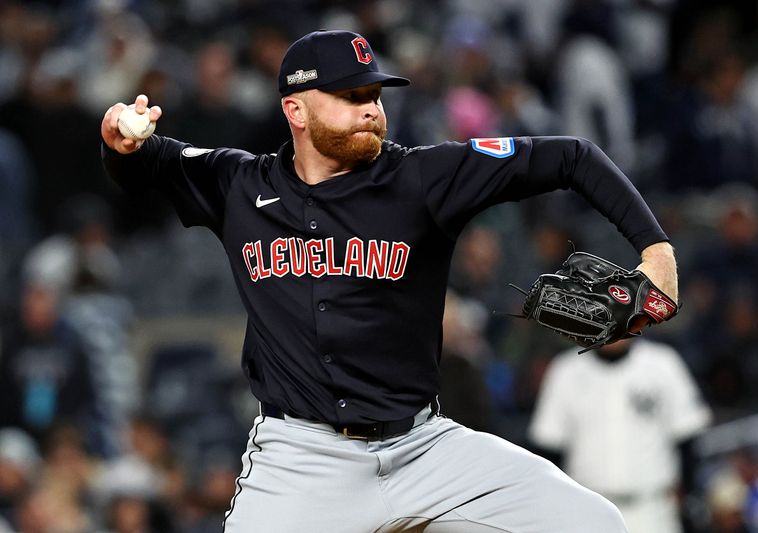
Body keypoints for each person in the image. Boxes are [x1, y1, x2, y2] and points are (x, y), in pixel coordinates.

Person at [100, 29, 679, 532]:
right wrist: (119, 146)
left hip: (423, 448)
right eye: (351, 96)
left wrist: (656, 252)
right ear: (295, 111)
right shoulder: (238, 184)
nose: (371, 109)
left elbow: (572, 156)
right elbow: (147, 160)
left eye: (374, 94)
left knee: (593, 523)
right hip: (302, 459)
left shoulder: (423, 178)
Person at [528, 338, 711, 533]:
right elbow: (548, 449)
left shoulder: (662, 363)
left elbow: (687, 438)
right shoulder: (566, 370)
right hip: (589, 510)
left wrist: (689, 494)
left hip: (652, 509)